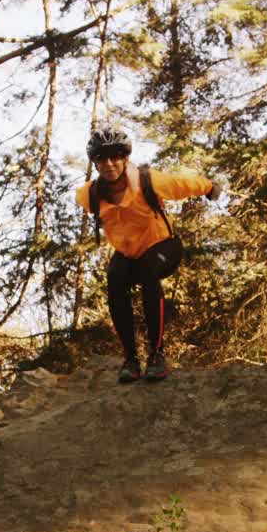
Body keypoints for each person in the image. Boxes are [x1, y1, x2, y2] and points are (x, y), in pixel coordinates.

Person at [75, 127, 220, 383]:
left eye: (115, 157)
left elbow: (181, 184)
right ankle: (131, 359)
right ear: (95, 163)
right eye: (102, 158)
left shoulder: (147, 181)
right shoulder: (89, 195)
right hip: (129, 253)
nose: (109, 164)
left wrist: (209, 187)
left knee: (148, 270)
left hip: (165, 246)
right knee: (115, 278)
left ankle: (157, 355)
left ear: (125, 158)